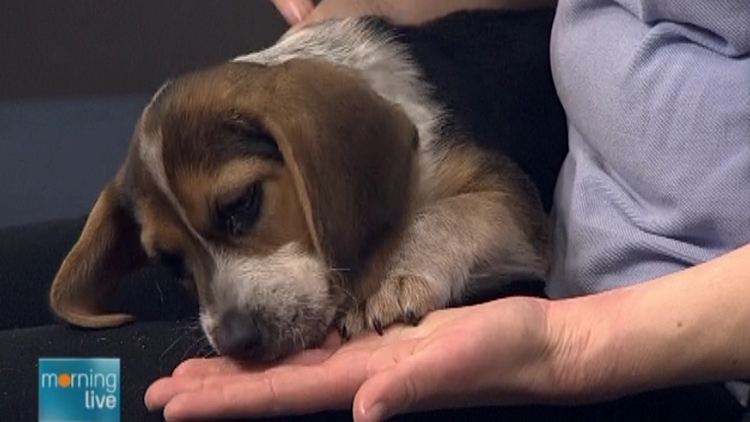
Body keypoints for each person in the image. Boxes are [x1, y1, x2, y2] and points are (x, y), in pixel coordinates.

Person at [142, 1, 750, 422]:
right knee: (64, 331)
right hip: (570, 258)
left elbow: (509, 213)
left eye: (244, 205)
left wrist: (568, 345)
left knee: (60, 390)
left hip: (675, 361)